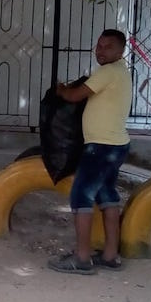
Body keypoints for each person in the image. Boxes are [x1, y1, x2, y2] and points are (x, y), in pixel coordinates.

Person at [48, 29, 132, 275]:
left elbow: (75, 95)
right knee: (107, 195)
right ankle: (110, 255)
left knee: (81, 196)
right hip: (116, 145)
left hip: (101, 147)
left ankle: (82, 258)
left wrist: (61, 90)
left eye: (107, 47)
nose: (101, 50)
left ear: (120, 51)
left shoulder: (107, 72)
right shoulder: (121, 72)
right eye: (99, 45)